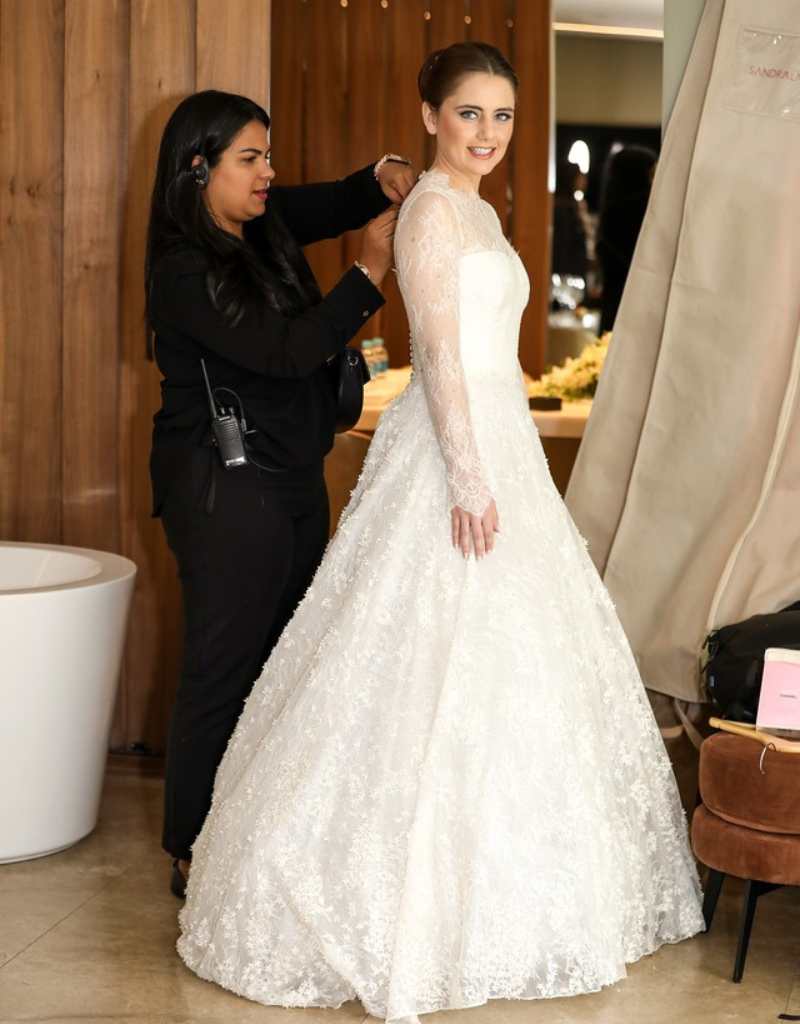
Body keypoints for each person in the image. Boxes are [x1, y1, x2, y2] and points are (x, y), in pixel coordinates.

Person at [177, 47, 704, 1022]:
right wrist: (465, 475)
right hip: (457, 450)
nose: (487, 133)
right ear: (429, 116)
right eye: (469, 113)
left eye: (502, 116)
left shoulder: (483, 211)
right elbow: (442, 357)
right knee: (420, 650)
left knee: (517, 660)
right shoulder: (427, 210)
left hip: (501, 441)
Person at [145, 89, 416, 897]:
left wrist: (379, 177)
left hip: (289, 474)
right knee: (223, 667)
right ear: (199, 169)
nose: (267, 173)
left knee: (281, 662)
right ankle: (190, 848)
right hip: (224, 489)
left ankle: (249, 832)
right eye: (250, 159)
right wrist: (368, 274)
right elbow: (288, 350)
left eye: (268, 154)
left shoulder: (258, 224)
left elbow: (326, 202)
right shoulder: (183, 268)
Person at [596, 143, 658, 334]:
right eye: (652, 173)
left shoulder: (610, 210)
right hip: (641, 309)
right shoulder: (646, 211)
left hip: (613, 308)